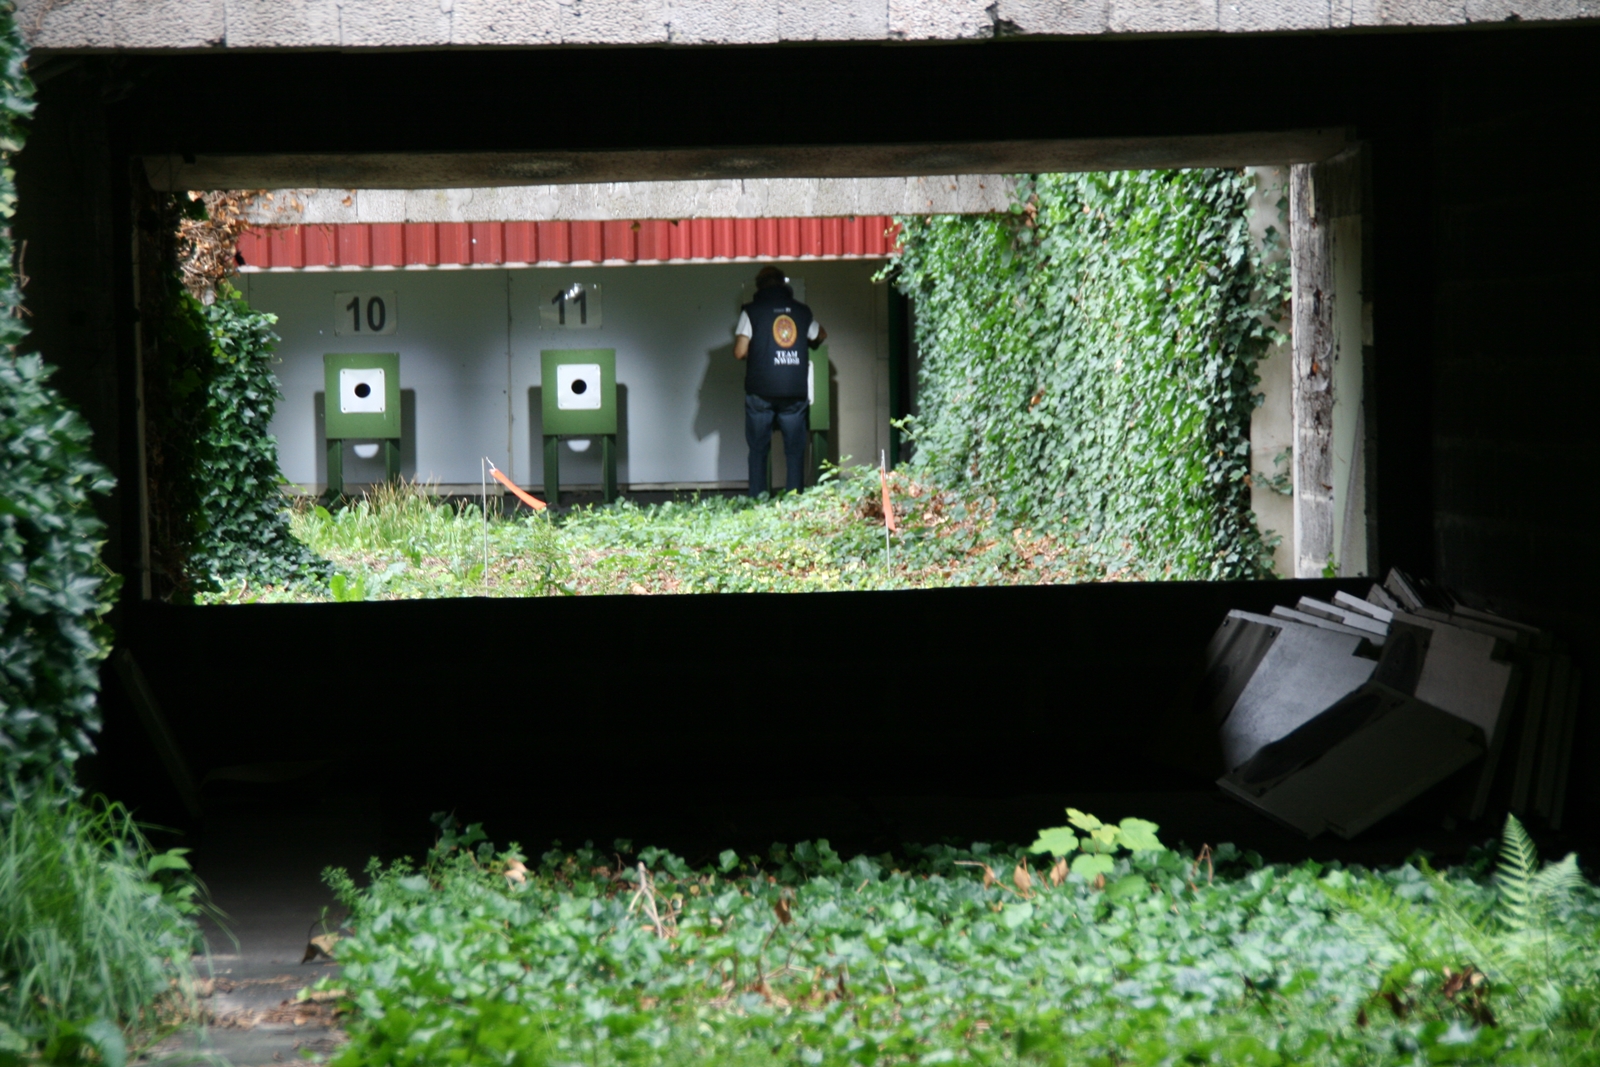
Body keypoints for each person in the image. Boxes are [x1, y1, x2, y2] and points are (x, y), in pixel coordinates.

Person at [735, 265, 827, 497]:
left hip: (760, 391)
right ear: (784, 284)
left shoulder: (751, 311)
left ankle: (758, 500)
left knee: (758, 450)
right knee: (795, 451)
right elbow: (820, 334)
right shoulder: (802, 311)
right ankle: (795, 500)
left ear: (759, 286)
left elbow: (739, 351)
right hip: (794, 392)